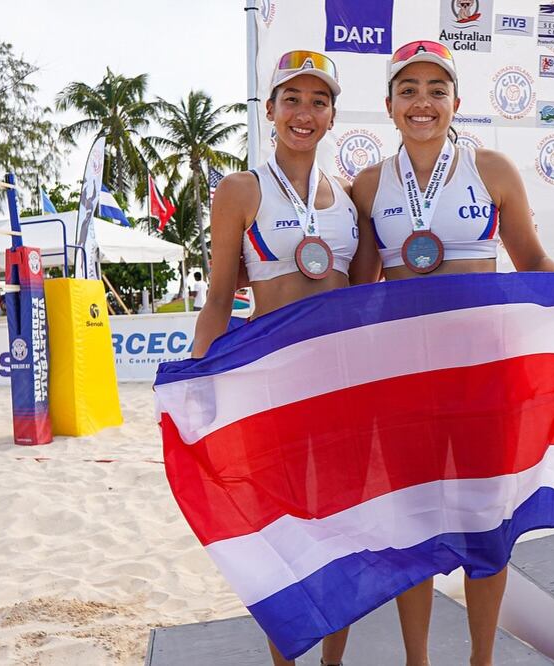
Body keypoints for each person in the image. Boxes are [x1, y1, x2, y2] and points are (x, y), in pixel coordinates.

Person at [351, 41, 554, 666]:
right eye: (408, 90)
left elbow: (532, 259)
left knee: (486, 527)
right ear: (389, 106)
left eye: (436, 90)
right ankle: (418, 661)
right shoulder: (367, 185)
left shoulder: (491, 170)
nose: (422, 102)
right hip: (406, 382)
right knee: (412, 529)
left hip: (485, 379)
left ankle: (481, 660)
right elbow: (356, 294)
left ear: (456, 102)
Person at [190, 49, 367, 666]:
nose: (304, 113)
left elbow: (366, 296)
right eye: (291, 99)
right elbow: (219, 297)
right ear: (269, 110)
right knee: (281, 534)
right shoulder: (240, 190)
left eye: (318, 101)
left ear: (332, 116)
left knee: (342, 532)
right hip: (272, 388)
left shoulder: (350, 198)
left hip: (339, 385)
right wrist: (199, 377)